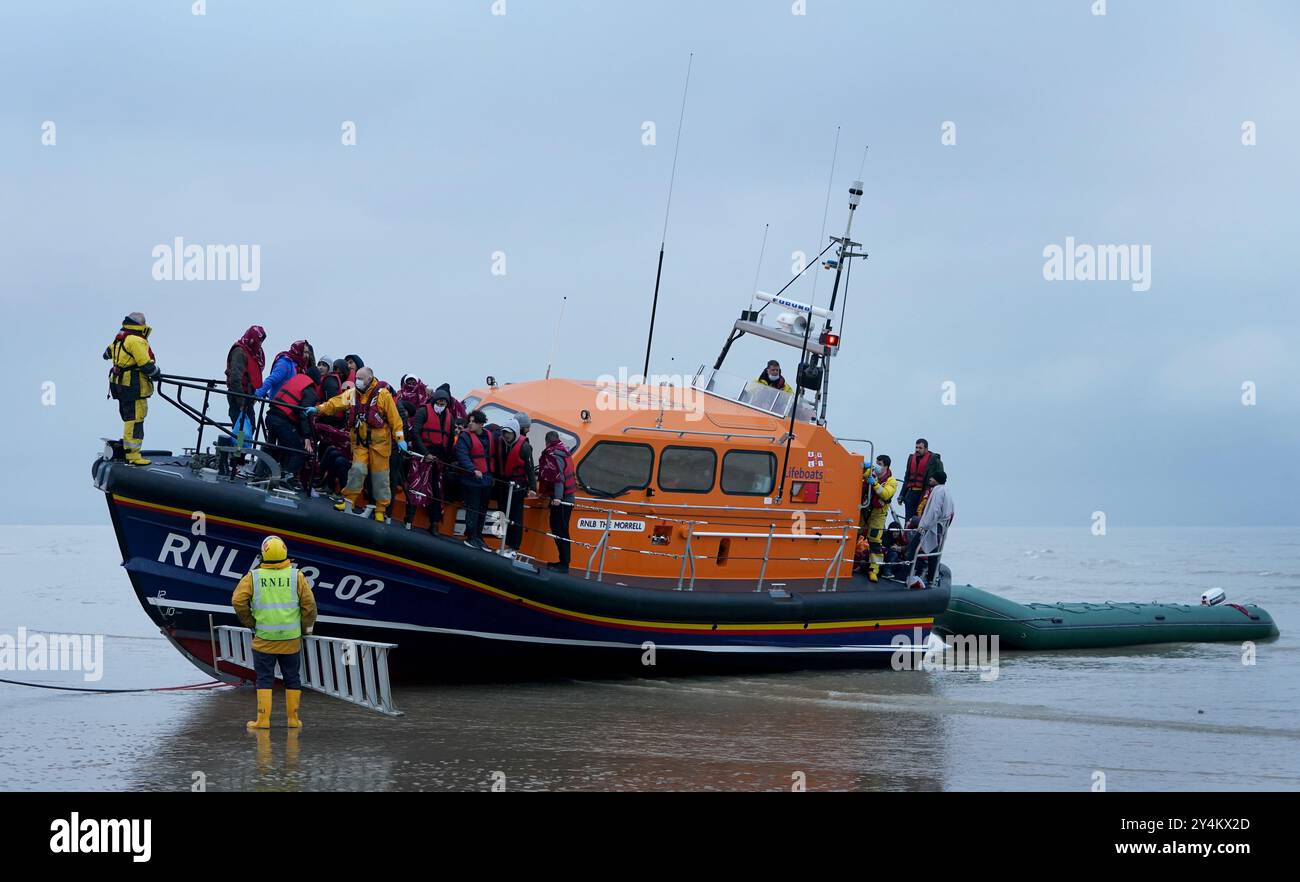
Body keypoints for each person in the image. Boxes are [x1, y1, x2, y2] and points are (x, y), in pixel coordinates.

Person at [231, 535, 317, 730]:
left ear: (263, 553)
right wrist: (305, 629)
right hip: (291, 640)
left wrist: (250, 621)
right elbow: (310, 606)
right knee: (292, 678)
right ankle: (293, 720)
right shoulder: (297, 576)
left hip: (264, 640)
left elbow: (237, 601)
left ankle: (262, 721)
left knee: (264, 678)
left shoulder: (253, 577)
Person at [308, 366, 407, 522]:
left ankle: (381, 509)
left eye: (360, 379)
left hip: (379, 445)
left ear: (369, 379)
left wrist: (401, 440)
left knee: (381, 477)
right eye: (357, 378)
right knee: (357, 470)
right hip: (360, 443)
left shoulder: (383, 395)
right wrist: (318, 409)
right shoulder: (353, 394)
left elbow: (396, 420)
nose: (357, 381)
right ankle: (348, 501)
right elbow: (336, 403)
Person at [103, 312, 160, 466]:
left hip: (119, 385)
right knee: (136, 419)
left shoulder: (120, 337)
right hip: (133, 386)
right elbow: (146, 364)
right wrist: (157, 374)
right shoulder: (136, 340)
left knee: (128, 417)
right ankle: (133, 455)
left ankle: (128, 448)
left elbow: (106, 354)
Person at [409, 385, 457, 533]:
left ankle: (434, 523)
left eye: (444, 404)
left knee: (437, 491)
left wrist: (447, 460)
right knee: (416, 487)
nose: (440, 406)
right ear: (434, 400)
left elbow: (449, 441)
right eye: (439, 403)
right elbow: (415, 433)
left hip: (439, 459)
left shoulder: (450, 418)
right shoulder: (423, 412)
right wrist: (425, 453)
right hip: (422, 456)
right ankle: (409, 519)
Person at [267, 365, 320, 492]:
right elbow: (304, 413)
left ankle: (261, 472)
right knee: (299, 452)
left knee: (272, 447)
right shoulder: (310, 391)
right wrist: (307, 437)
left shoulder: (295, 380)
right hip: (281, 421)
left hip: (270, 417)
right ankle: (286, 477)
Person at [494, 417, 537, 553]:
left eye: (509, 433)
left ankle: (514, 547)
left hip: (517, 486)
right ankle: (503, 543)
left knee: (515, 516)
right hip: (502, 483)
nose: (506, 435)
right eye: (504, 432)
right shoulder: (500, 443)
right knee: (501, 513)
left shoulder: (524, 447)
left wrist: (533, 488)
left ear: (516, 433)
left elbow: (530, 469)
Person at [455, 410, 496, 550]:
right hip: (471, 479)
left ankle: (478, 536)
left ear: (481, 424)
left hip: (486, 480)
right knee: (473, 508)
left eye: (474, 422)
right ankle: (471, 536)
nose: (470, 424)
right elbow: (462, 455)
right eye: (470, 421)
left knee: (482, 510)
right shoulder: (465, 437)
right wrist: (472, 469)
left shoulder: (489, 436)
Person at [537, 430, 577, 572]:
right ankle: (563, 562)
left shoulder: (554, 455)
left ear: (547, 442)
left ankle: (564, 564)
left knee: (560, 531)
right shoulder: (563, 451)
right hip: (566, 498)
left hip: (563, 500)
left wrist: (558, 499)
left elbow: (558, 479)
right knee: (560, 530)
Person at [861, 454, 899, 583]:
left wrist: (875, 484)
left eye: (880, 464)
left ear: (886, 466)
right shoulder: (871, 473)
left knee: (874, 540)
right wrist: (861, 467)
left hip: (878, 514)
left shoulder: (892, 481)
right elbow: (861, 476)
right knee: (855, 533)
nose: (877, 466)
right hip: (865, 509)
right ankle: (851, 562)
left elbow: (886, 494)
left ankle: (874, 570)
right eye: (876, 463)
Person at [914, 471, 954, 588]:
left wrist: (924, 525)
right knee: (933, 552)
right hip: (939, 526)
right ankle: (930, 577)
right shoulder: (946, 491)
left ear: (936, 479)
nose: (930, 479)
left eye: (932, 477)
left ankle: (912, 573)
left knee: (917, 549)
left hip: (932, 527)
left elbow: (934, 511)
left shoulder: (938, 492)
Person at [225, 325, 266, 438]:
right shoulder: (240, 352)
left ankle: (240, 451)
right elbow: (235, 379)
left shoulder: (252, 352)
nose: (260, 344)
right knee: (242, 430)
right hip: (239, 397)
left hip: (247, 396)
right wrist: (241, 402)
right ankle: (237, 453)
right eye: (259, 341)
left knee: (249, 427)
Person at [902, 438, 943, 520]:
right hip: (910, 493)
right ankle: (907, 531)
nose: (917, 450)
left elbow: (940, 477)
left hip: (924, 494)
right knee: (908, 520)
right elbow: (907, 478)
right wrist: (902, 495)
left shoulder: (934, 460)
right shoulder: (911, 458)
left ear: (926, 449)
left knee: (921, 519)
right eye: (916, 447)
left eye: (920, 448)